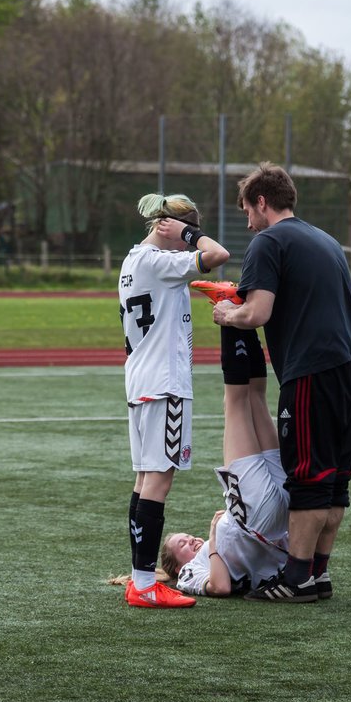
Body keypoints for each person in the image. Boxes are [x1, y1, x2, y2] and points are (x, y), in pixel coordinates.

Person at [213, 162, 351, 603]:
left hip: (312, 368)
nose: (248, 221)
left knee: (306, 475)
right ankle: (317, 574)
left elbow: (257, 312)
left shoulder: (269, 241)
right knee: (335, 478)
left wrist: (228, 314)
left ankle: (296, 576)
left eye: (248, 210)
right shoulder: (324, 239)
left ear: (262, 202)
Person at [119, 192, 230, 608]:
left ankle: (139, 580)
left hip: (142, 381)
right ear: (168, 228)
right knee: (159, 479)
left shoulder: (133, 260)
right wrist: (191, 234)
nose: (187, 245)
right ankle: (146, 585)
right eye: (183, 235)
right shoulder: (161, 261)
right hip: (165, 383)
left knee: (145, 480)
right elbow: (217, 253)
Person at [158, 321, 295, 599]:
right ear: (177, 565)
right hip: (254, 517)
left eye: (186, 536)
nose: (191, 540)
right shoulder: (189, 574)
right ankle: (230, 316)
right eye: (182, 544)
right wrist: (213, 533)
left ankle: (244, 323)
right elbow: (220, 587)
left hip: (275, 518)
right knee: (234, 402)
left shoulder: (208, 552)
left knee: (256, 399)